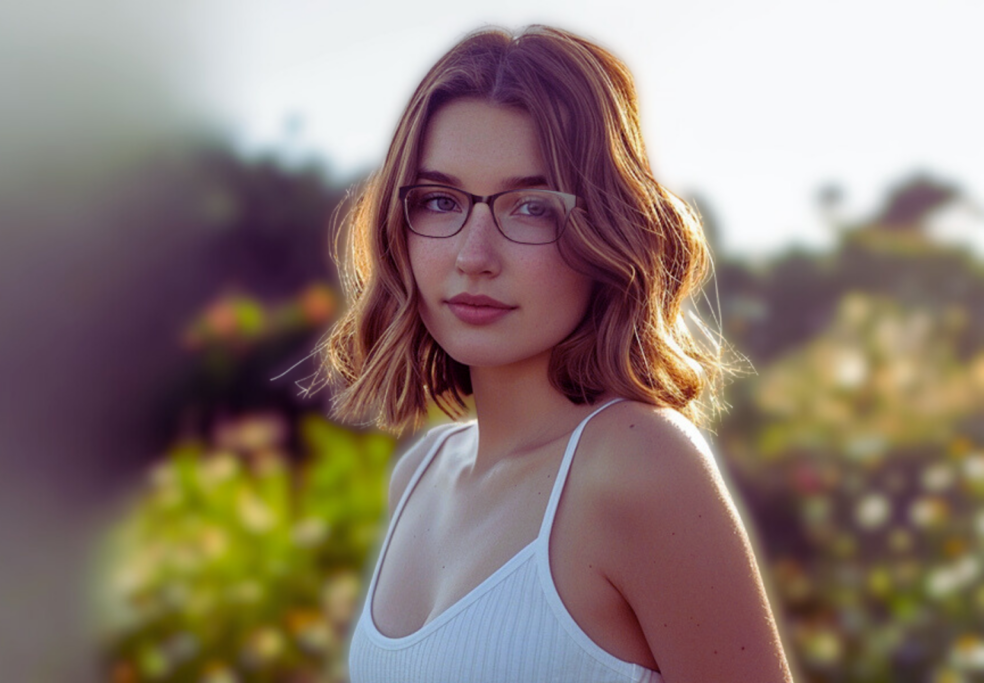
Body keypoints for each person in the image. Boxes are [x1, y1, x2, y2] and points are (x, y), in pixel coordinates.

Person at [320, 24, 794, 683]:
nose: (474, 255)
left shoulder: (639, 463)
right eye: (438, 200)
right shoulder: (421, 470)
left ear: (605, 226)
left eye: (532, 207)